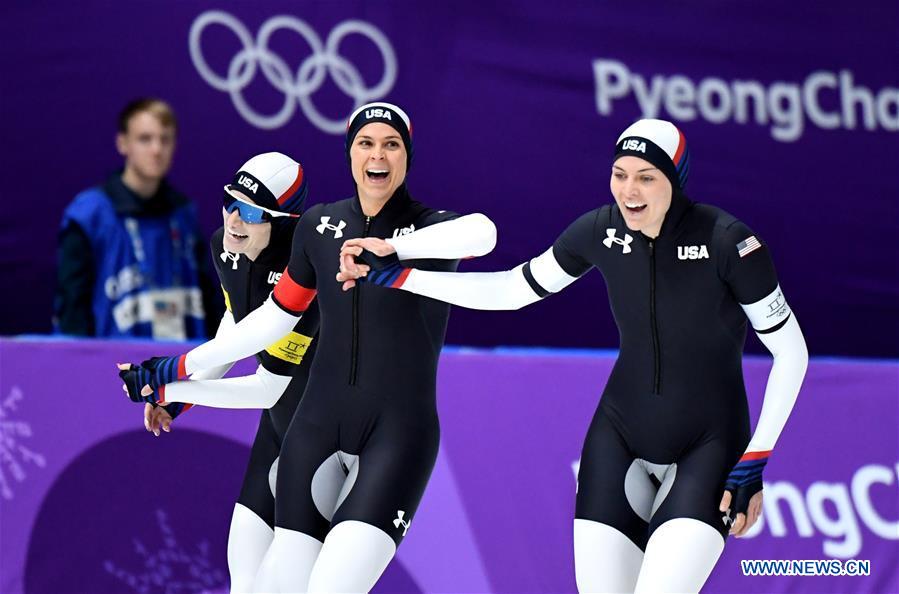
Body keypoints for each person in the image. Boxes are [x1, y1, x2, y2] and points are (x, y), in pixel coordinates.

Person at [355, 119, 809, 593]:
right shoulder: (598, 230)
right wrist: (403, 277)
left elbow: (791, 351)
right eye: (619, 174)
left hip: (709, 445)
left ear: (674, 180)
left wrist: (755, 460)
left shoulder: (728, 241)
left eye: (646, 177)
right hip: (619, 438)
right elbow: (513, 289)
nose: (629, 190)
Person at [118, 102, 497, 593]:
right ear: (349, 153)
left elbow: (483, 233)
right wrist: (177, 380)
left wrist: (396, 251)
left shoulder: (427, 230)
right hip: (309, 432)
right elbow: (260, 322)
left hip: (394, 436)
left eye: (390, 144)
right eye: (365, 143)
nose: (377, 155)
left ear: (407, 156)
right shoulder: (318, 229)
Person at [120, 152, 320, 592]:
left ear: (283, 222)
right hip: (281, 426)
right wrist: (183, 397)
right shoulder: (225, 248)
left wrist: (169, 382)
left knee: (291, 584)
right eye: (229, 203)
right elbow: (236, 327)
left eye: (250, 212)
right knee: (243, 577)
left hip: (328, 436)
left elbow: (268, 387)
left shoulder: (306, 271)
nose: (233, 219)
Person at [55, 98, 216, 339]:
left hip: (181, 365)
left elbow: (210, 300)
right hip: (110, 368)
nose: (156, 149)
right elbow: (72, 311)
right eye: (145, 139)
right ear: (122, 144)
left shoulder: (184, 214)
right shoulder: (90, 216)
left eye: (165, 139)